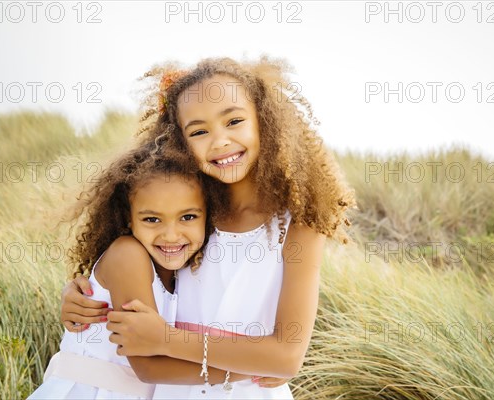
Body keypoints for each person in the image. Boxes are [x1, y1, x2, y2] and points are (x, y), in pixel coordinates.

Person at [60, 56, 355, 399]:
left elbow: (288, 356)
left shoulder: (298, 223)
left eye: (234, 121)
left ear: (265, 121)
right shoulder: (189, 215)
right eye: (199, 131)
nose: (220, 141)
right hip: (175, 389)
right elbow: (136, 277)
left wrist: (167, 339)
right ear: (180, 142)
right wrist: (80, 295)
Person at [29, 141, 252, 399]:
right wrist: (248, 370)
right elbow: (148, 366)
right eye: (152, 219)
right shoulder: (128, 255)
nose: (170, 235)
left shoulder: (185, 270)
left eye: (188, 217)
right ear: (128, 217)